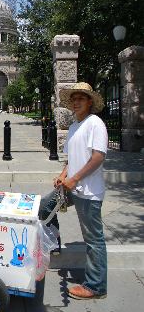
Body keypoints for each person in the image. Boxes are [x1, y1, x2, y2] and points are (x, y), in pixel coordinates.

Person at [41, 82, 108, 300]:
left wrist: (75, 178)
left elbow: (98, 156)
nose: (76, 101)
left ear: (90, 102)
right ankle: (53, 245)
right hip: (72, 186)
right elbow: (73, 159)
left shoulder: (95, 123)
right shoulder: (73, 127)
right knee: (45, 206)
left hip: (88, 191)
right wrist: (63, 174)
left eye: (81, 98)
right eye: (73, 98)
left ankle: (96, 286)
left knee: (93, 239)